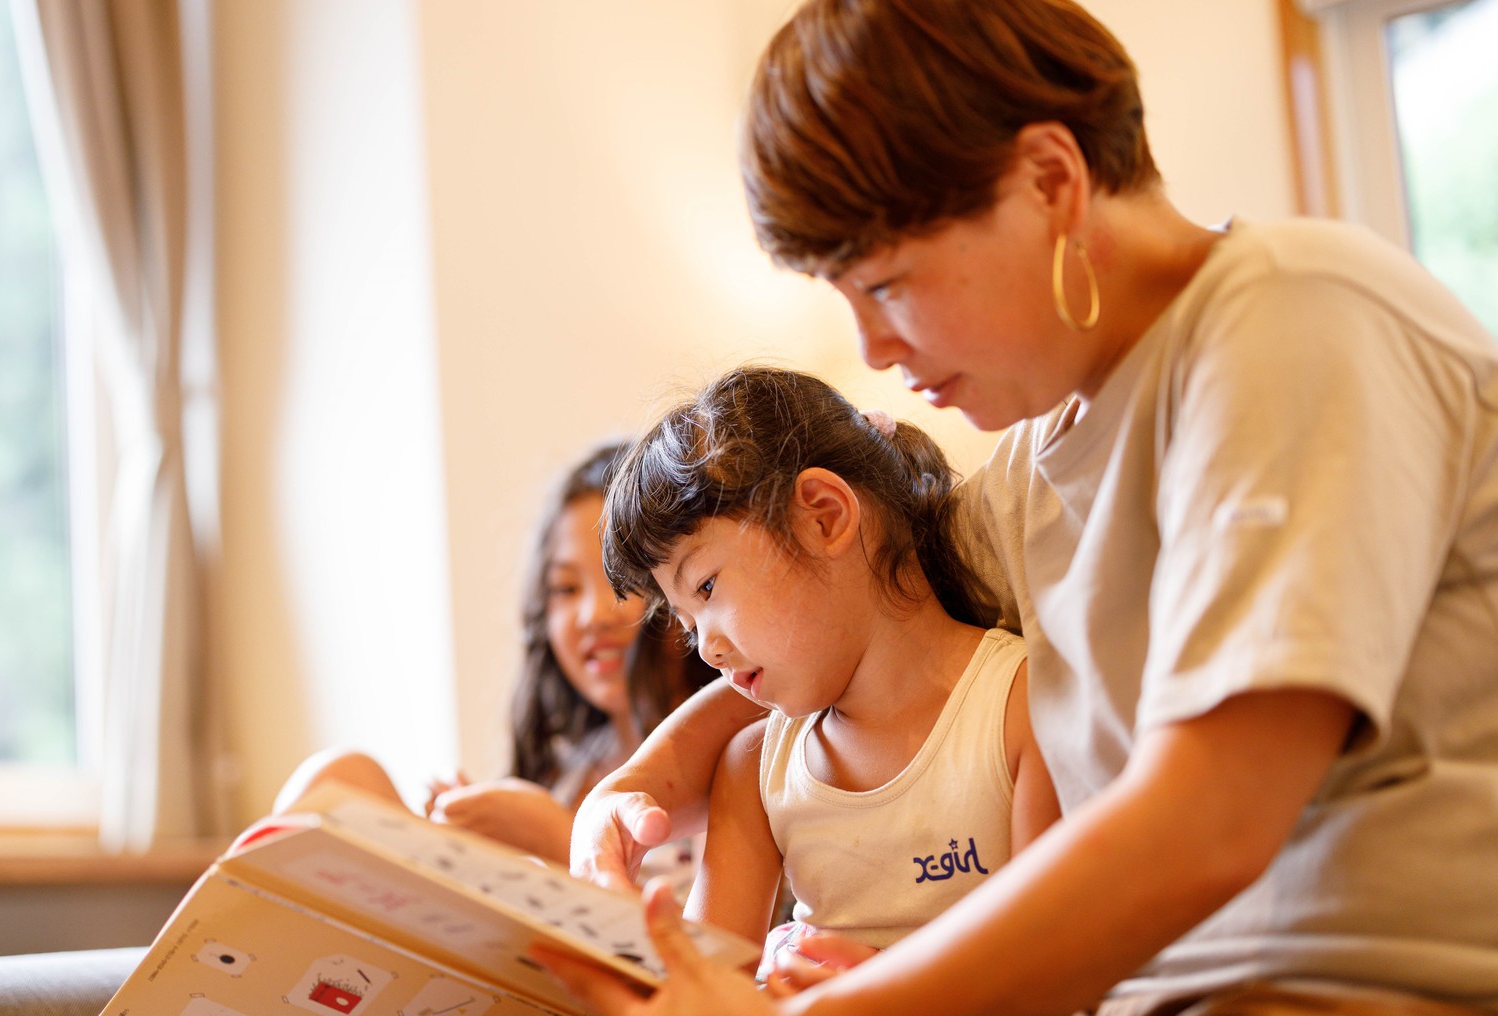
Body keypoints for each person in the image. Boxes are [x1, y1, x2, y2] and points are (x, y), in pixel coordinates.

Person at [539, 1, 1498, 1014]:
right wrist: (651, 772)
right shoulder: (1030, 473)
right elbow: (842, 615)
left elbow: (1209, 821)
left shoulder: (1295, 317)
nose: (873, 349)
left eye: (889, 284)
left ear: (1051, 180)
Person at [600, 365, 1060, 990]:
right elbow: (705, 994)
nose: (705, 649)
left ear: (823, 516)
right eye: (686, 622)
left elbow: (1059, 973)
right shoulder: (754, 767)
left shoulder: (1021, 708)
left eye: (707, 587)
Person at [273, 442, 715, 867]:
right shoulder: (566, 769)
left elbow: (707, 939)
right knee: (342, 778)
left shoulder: (723, 765)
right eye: (565, 588)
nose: (592, 616)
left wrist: (558, 839)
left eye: (622, 583)